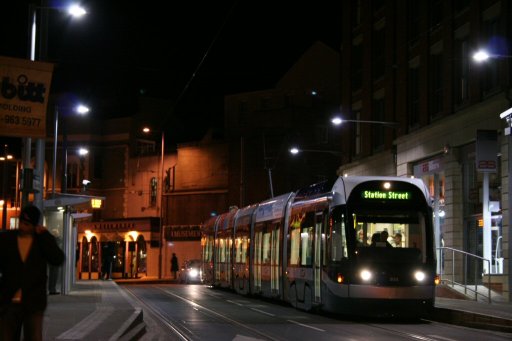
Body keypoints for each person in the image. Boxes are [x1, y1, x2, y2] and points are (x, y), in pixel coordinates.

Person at [0, 205, 65, 341]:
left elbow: (57, 259)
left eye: (27, 224)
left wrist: (45, 235)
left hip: (34, 302)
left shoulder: (41, 240)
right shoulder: (8, 239)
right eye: (22, 222)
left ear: (35, 225)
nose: (23, 227)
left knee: (34, 337)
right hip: (10, 301)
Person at [48, 229, 62, 295]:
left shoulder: (50, 240)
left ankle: (52, 289)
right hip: (54, 260)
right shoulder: (55, 240)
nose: (58, 234)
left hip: (52, 260)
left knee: (52, 275)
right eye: (57, 233)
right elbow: (59, 242)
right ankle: (52, 289)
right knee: (54, 276)